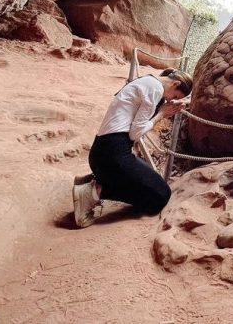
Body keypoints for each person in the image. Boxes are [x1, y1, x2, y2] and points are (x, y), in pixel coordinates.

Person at [72, 68, 193, 228]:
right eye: (175, 96)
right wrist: (161, 115)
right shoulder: (155, 89)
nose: (171, 100)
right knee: (160, 197)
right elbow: (135, 134)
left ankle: (99, 177)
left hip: (104, 152)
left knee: (152, 183)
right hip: (112, 156)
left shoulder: (149, 81)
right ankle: (93, 191)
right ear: (175, 84)